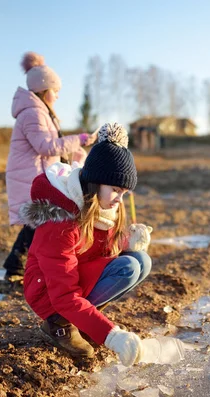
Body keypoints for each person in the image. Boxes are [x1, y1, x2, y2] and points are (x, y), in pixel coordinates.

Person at [20, 122, 151, 365]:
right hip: (49, 294)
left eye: (124, 194)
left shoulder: (101, 209)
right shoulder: (61, 222)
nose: (118, 200)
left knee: (141, 260)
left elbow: (97, 252)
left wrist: (128, 242)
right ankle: (58, 323)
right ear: (95, 181)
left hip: (74, 276)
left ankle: (83, 319)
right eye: (115, 190)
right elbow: (63, 293)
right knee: (129, 268)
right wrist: (111, 335)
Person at [3, 51, 97, 280]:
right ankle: (18, 269)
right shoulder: (33, 114)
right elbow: (46, 146)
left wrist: (73, 151)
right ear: (43, 91)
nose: (57, 96)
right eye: (55, 91)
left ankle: (17, 268)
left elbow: (51, 148)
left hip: (35, 174)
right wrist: (81, 139)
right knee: (37, 223)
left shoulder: (40, 113)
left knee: (36, 223)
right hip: (30, 177)